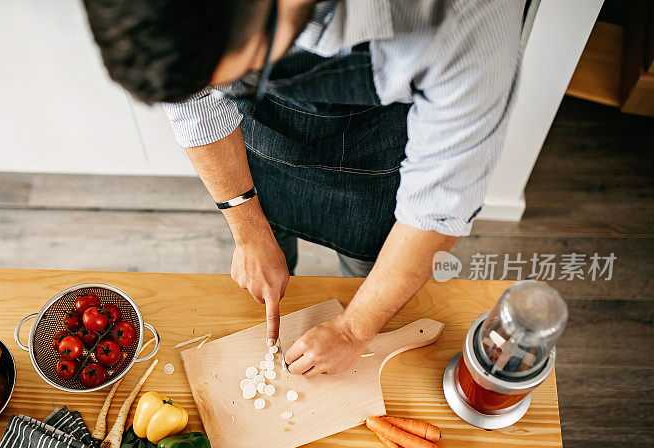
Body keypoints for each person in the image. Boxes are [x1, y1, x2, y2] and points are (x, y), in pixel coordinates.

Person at [82, 0, 522, 377]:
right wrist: (248, 229)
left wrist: (352, 330)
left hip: (378, 168)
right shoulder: (191, 26)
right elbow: (196, 106)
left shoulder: (463, 21)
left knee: (365, 276)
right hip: (266, 155)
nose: (226, 93)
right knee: (268, 246)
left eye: (246, 76)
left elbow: (436, 210)